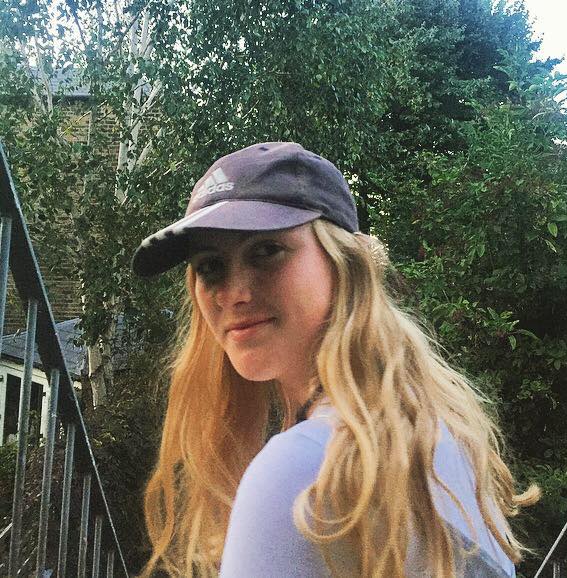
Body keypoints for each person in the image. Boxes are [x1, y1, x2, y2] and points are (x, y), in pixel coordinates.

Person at [132, 142, 540, 578]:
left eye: (266, 251)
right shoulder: (434, 433)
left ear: (344, 262)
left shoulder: (300, 469)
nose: (235, 293)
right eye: (210, 267)